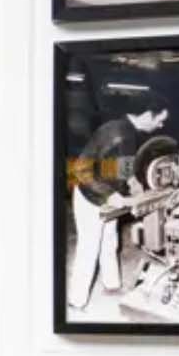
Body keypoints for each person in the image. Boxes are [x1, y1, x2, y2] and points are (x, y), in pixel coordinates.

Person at [68, 106, 168, 310]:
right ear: (147, 114)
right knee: (90, 247)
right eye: (160, 120)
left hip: (107, 193)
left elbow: (122, 166)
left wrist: (134, 184)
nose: (161, 125)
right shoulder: (115, 131)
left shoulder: (129, 132)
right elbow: (80, 169)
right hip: (90, 196)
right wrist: (110, 195)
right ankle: (76, 302)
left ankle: (111, 285)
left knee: (109, 240)